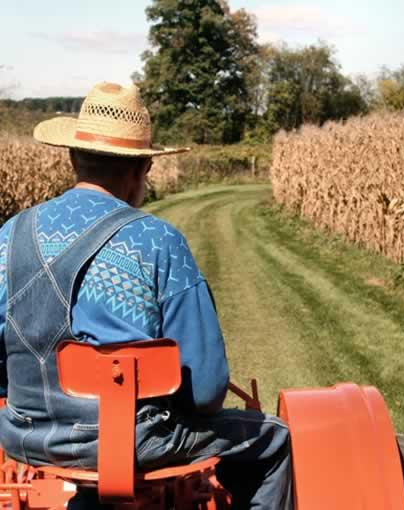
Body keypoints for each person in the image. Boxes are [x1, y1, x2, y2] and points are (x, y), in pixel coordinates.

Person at [0, 82, 292, 509]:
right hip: (132, 443)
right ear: (143, 170)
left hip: (25, 435)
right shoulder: (156, 242)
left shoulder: (10, 236)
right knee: (275, 440)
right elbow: (207, 389)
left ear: (72, 158)